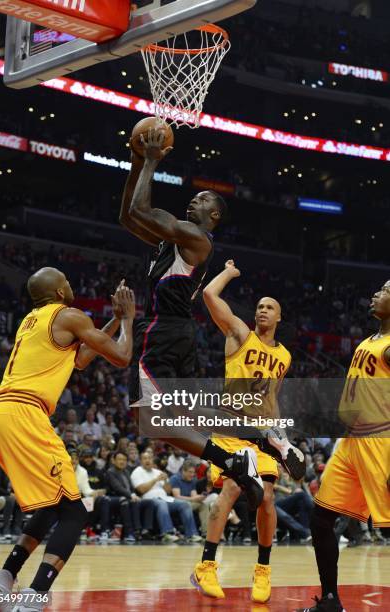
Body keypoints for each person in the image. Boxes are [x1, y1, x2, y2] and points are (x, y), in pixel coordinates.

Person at [119, 127, 281, 502]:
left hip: (160, 329)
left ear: (213, 214)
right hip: (179, 333)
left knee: (150, 421)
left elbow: (141, 209)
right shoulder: (177, 239)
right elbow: (129, 217)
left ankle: (232, 460)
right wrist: (135, 163)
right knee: (185, 415)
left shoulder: (196, 238)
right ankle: (263, 437)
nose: (192, 202)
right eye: (192, 198)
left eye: (200, 200)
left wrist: (152, 161)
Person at [0, 268, 135, 611]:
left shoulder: (33, 320)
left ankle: (2, 580)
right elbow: (122, 356)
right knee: (75, 512)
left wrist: (109, 324)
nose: (71, 284)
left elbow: (80, 360)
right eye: (67, 280)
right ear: (60, 290)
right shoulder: (69, 315)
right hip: (24, 414)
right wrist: (127, 320)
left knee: (54, 504)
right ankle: (34, 597)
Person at [191, 260, 298, 603]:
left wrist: (283, 441)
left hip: (262, 432)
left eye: (270, 308)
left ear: (279, 317)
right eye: (259, 307)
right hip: (230, 427)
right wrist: (230, 273)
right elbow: (208, 293)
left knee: (267, 499)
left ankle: (263, 570)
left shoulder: (284, 355)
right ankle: (206, 565)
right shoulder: (239, 332)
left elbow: (273, 401)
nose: (263, 311)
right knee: (234, 488)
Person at [298, 281, 390, 612]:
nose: (376, 294)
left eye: (385, 290)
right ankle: (331, 601)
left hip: (381, 442)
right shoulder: (370, 340)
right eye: (378, 289)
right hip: (352, 442)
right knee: (321, 519)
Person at [131, 451, 201, 543]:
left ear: (153, 460)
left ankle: (191, 534)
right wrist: (156, 480)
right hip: (149, 501)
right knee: (162, 503)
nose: (148, 460)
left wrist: (165, 482)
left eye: (150, 458)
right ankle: (167, 533)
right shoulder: (137, 472)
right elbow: (141, 490)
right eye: (145, 458)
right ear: (140, 461)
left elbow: (168, 491)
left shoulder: (158, 472)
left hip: (165, 498)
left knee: (185, 504)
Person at [105, 451, 155, 541]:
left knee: (149, 502)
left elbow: (131, 488)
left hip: (129, 497)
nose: (122, 462)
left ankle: (146, 530)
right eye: (119, 459)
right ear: (114, 461)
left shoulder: (126, 472)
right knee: (133, 502)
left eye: (124, 460)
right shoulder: (110, 472)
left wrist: (135, 495)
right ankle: (135, 531)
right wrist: (131, 495)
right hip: (116, 498)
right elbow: (118, 488)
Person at [169, 459, 218, 537]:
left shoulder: (193, 480)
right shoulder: (175, 478)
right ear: (183, 471)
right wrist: (193, 499)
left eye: (193, 472)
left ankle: (205, 532)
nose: (192, 474)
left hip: (188, 502)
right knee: (186, 504)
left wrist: (201, 497)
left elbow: (193, 496)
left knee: (203, 504)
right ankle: (192, 533)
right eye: (190, 472)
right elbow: (177, 496)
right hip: (177, 504)